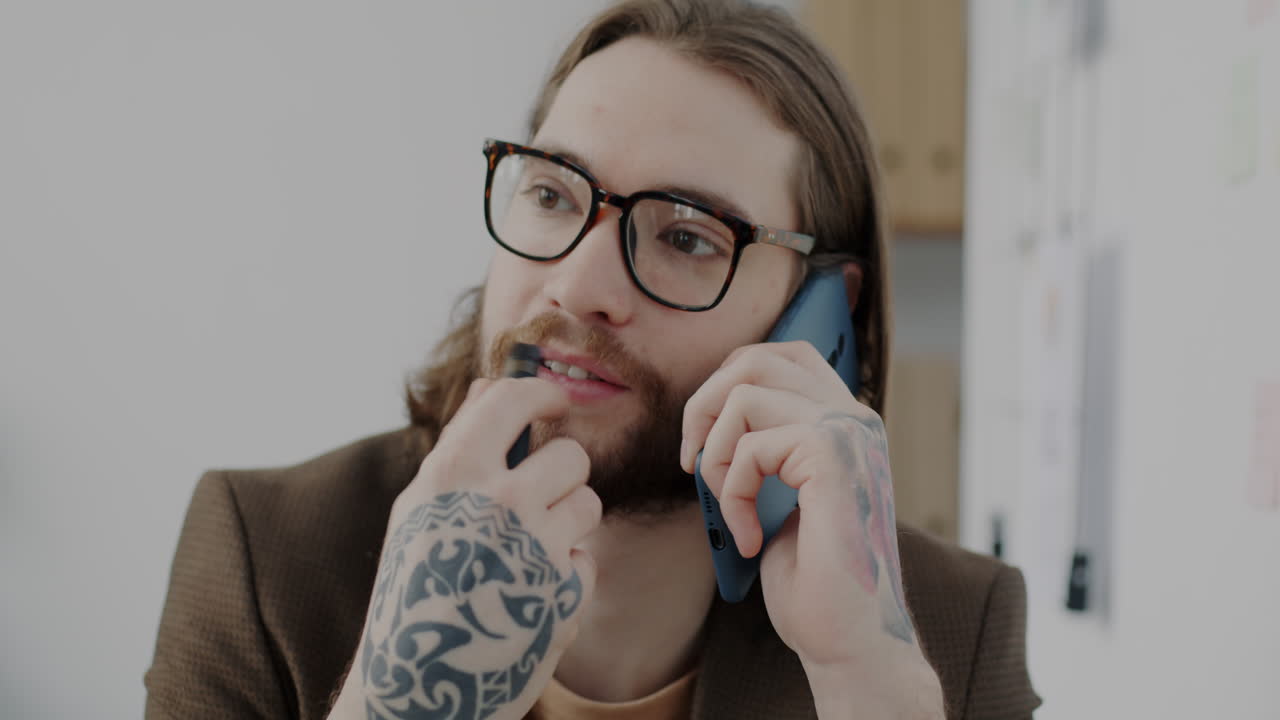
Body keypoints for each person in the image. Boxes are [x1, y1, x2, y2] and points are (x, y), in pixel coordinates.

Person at [145, 1, 1039, 718]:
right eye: (550, 193)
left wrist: (867, 682)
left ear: (819, 318)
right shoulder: (266, 557)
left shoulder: (947, 628)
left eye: (687, 237)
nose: (576, 285)